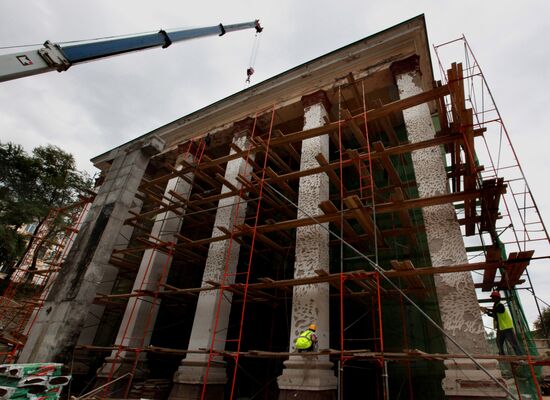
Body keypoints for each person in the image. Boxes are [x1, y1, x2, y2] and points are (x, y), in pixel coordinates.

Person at [483, 291, 522, 355]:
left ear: (498, 298)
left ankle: (520, 356)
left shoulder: (500, 305)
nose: (493, 299)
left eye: (494, 297)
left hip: (507, 328)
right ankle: (501, 354)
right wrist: (487, 313)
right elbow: (495, 315)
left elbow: (499, 310)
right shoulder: (495, 306)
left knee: (513, 343)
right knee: (498, 342)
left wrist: (488, 309)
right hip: (500, 328)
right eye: (492, 297)